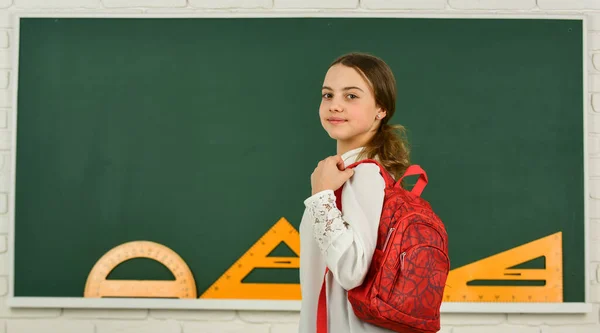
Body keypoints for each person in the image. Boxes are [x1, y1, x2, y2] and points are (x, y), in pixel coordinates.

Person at [298, 52, 411, 333]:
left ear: (380, 108)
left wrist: (322, 195)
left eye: (351, 96)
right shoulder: (353, 170)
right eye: (327, 95)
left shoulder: (364, 174)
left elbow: (351, 271)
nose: (335, 105)